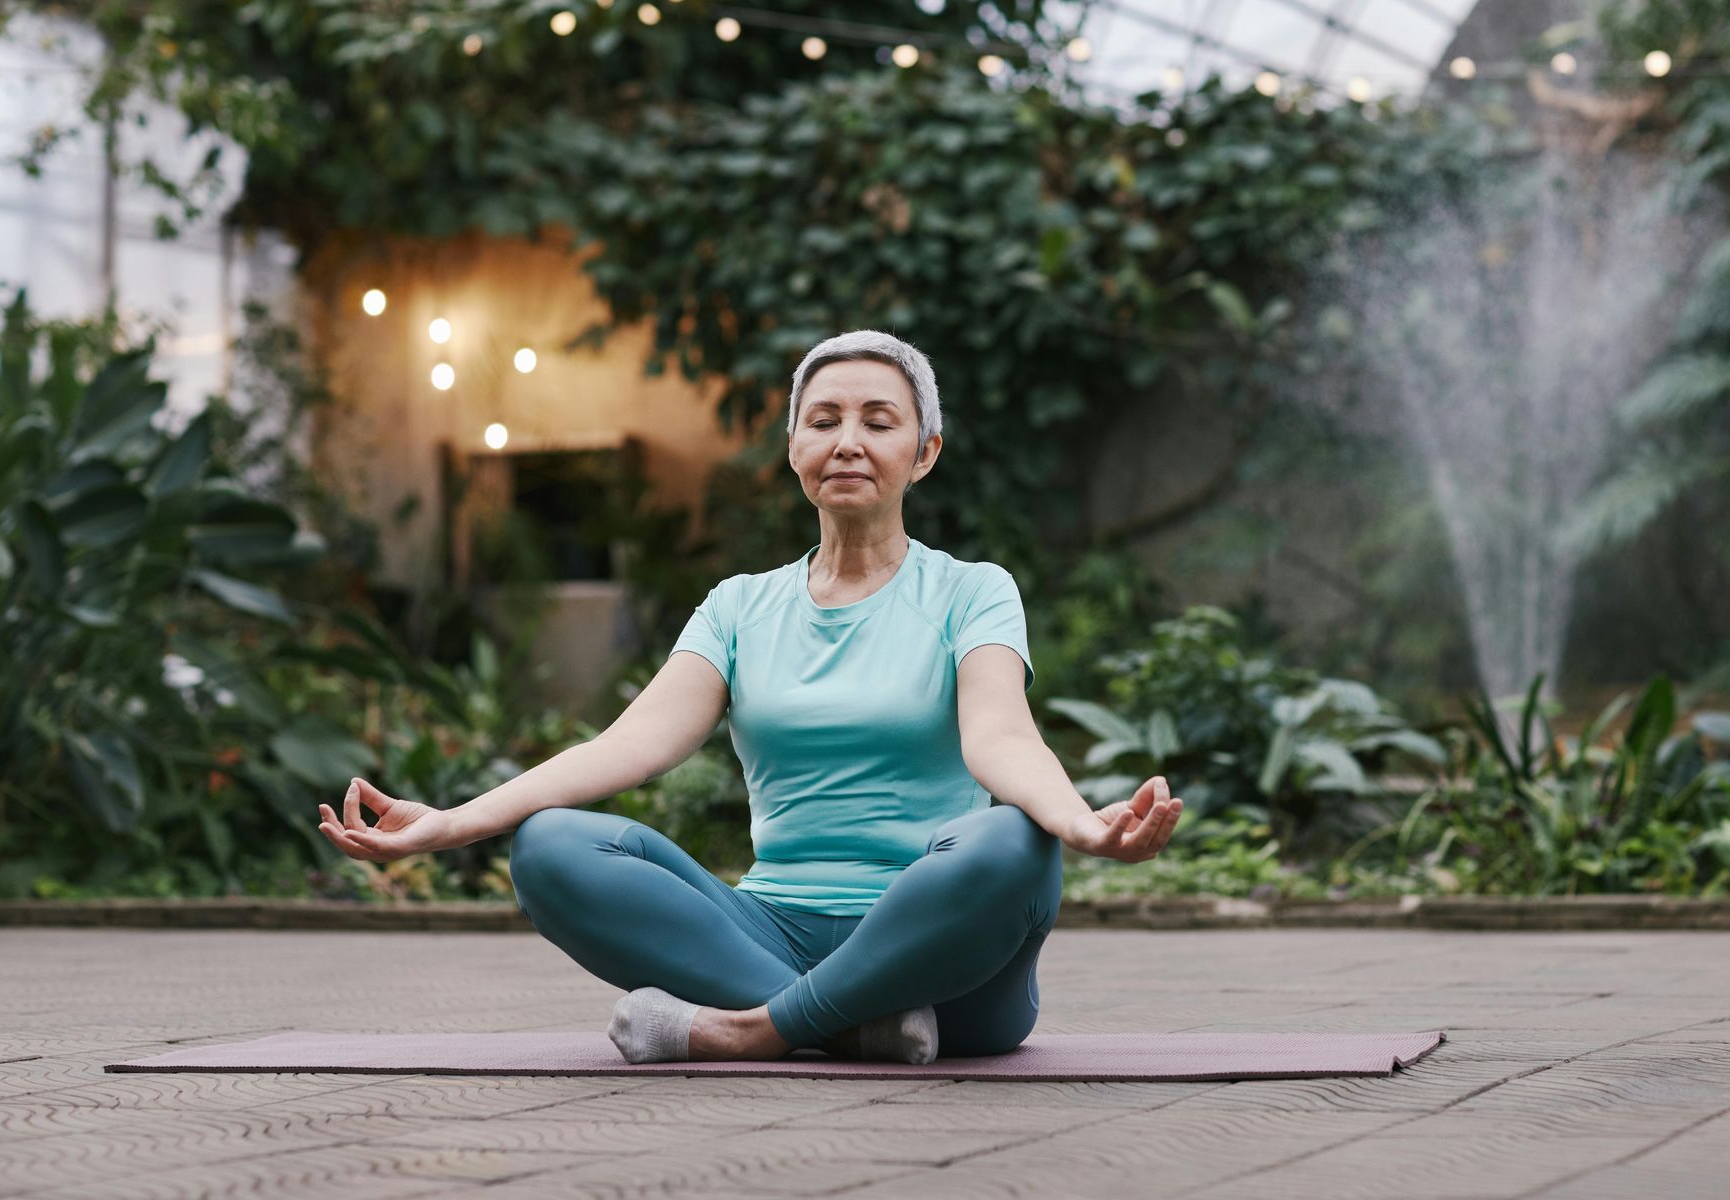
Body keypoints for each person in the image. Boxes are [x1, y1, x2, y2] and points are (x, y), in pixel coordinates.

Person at [316, 329, 1183, 1065]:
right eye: (824, 420)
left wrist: (1079, 824)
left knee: (1013, 843)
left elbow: (1000, 739)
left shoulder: (972, 591)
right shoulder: (739, 606)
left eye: (879, 423)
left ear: (924, 454)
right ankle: (853, 1025)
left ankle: (747, 1032)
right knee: (549, 847)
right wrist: (454, 822)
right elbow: (627, 747)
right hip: (765, 931)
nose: (848, 441)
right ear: (795, 448)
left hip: (945, 963)